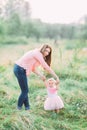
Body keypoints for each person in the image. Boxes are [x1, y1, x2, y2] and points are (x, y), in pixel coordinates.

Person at [13, 44, 59, 110]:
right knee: (25, 91)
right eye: (46, 50)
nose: (47, 53)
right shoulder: (37, 53)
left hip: (20, 69)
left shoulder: (39, 55)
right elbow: (46, 66)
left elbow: (33, 68)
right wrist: (56, 77)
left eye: (48, 52)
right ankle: (18, 108)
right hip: (20, 69)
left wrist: (41, 75)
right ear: (42, 49)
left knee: (25, 90)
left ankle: (27, 108)